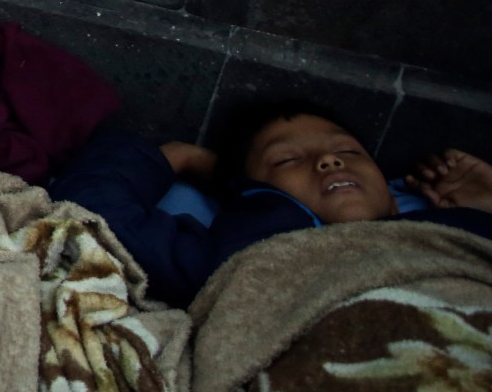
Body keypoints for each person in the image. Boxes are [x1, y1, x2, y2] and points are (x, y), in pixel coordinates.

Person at [52, 97, 492, 307]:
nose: (329, 159)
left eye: (351, 153)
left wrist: (481, 212)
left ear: (395, 202)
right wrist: (176, 157)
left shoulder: (447, 238)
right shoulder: (244, 254)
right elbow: (93, 210)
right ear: (250, 194)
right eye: (286, 159)